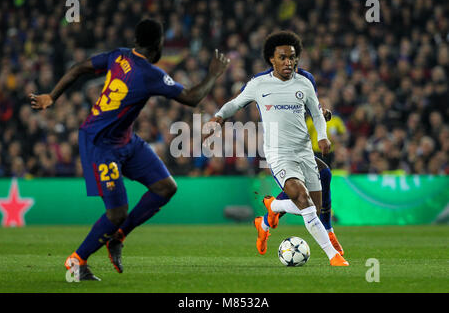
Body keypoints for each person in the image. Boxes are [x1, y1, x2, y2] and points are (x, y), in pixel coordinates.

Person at [30, 18, 230, 281]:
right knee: (117, 212)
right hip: (99, 143)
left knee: (165, 187)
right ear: (158, 45)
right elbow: (192, 97)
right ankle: (76, 261)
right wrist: (213, 74)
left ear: (136, 41)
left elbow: (79, 68)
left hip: (126, 141)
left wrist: (52, 96)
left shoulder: (118, 56)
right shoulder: (151, 74)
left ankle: (119, 236)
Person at [206, 31, 348, 266]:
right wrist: (218, 117)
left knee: (313, 204)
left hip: (303, 150)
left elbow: (316, 111)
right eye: (283, 57)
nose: (288, 62)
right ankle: (333, 256)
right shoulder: (259, 83)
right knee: (303, 199)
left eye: (292, 57)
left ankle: (273, 208)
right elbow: (235, 103)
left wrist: (322, 136)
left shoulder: (305, 81)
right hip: (278, 153)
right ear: (271, 59)